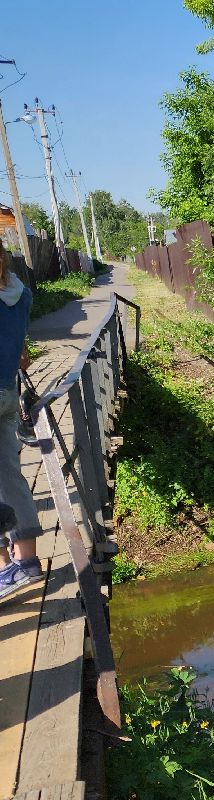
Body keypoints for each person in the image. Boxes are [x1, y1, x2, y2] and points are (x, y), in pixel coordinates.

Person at [0, 252, 42, 603]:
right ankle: (25, 560)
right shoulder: (21, 293)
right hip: (7, 392)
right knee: (9, 475)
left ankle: (5, 565)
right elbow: (21, 351)